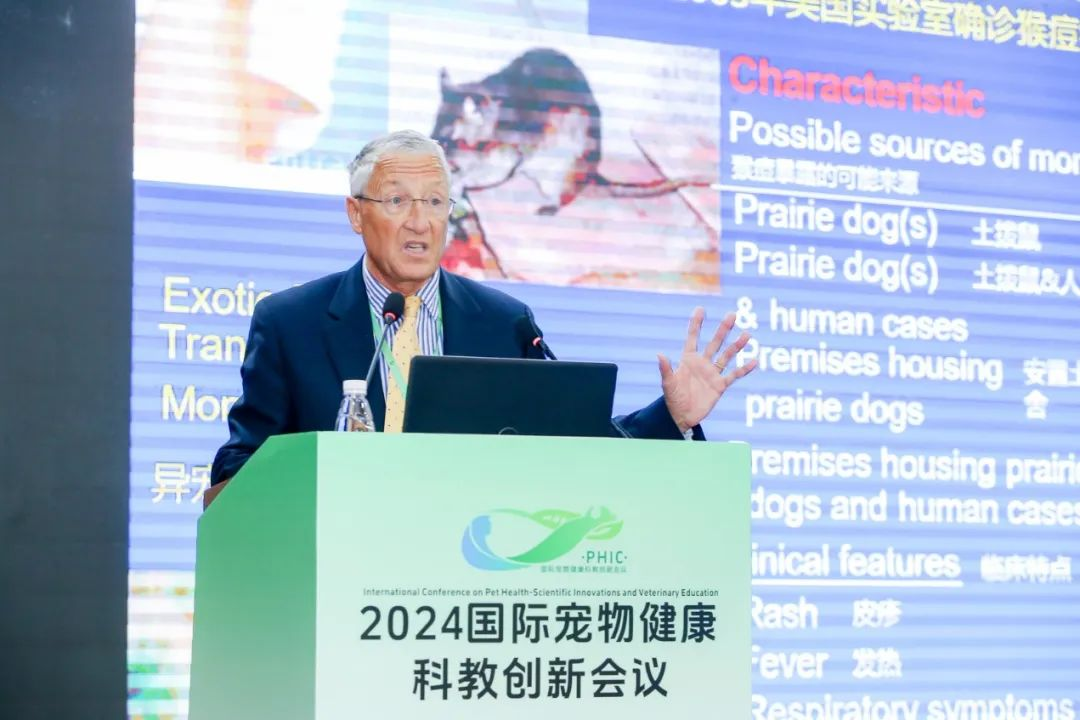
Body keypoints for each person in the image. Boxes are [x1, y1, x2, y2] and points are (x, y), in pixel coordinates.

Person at [210, 130, 756, 486]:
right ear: (356, 214)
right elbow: (238, 466)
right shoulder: (290, 323)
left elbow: (577, 447)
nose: (420, 222)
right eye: (397, 201)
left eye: (435, 202)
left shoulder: (503, 322)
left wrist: (672, 417)